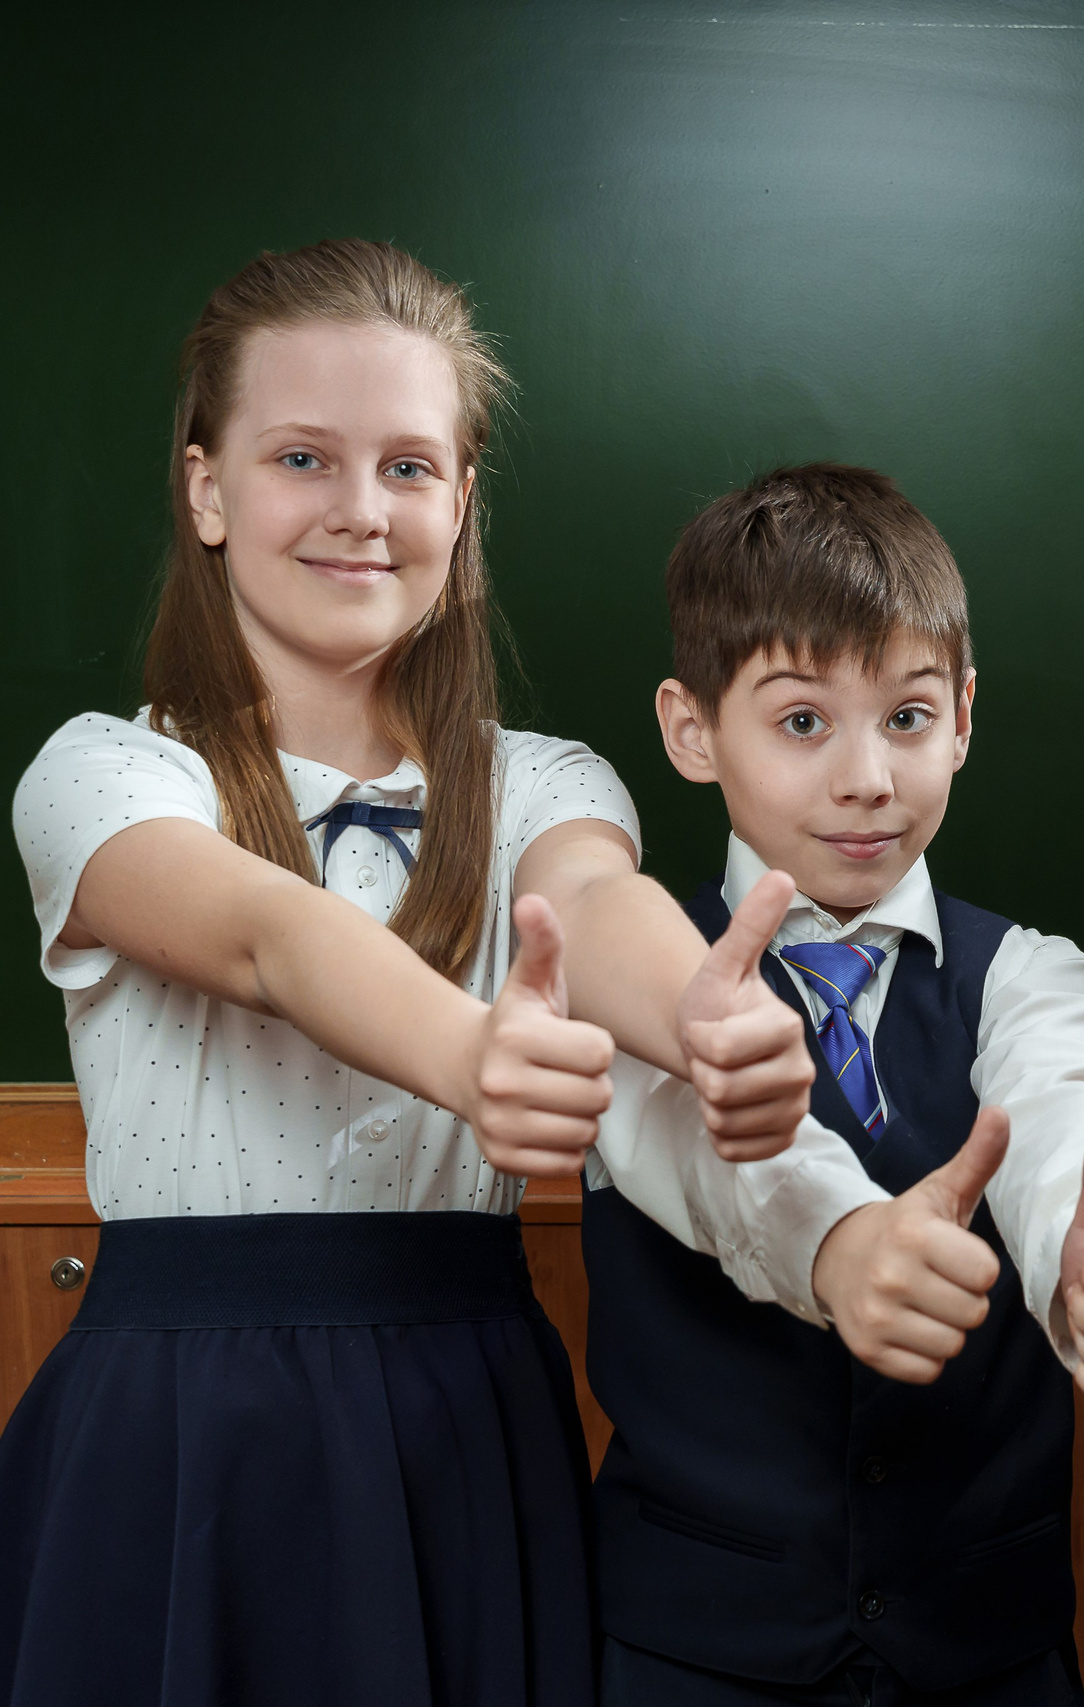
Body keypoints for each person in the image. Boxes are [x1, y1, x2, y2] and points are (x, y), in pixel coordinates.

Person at [0, 238, 815, 1706]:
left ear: (464, 500)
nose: (361, 511)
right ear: (206, 488)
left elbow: (596, 897)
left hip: (463, 1409)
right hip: (180, 1419)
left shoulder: (540, 779)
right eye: (303, 455)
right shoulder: (106, 770)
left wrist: (704, 1010)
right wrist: (465, 1053)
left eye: (411, 466)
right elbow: (264, 930)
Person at [581, 462, 1084, 1707]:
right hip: (693, 1656)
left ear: (963, 715)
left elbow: (1068, 1097)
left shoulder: (1029, 976)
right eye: (803, 721)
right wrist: (843, 1245)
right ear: (690, 729)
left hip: (986, 1653)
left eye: (907, 718)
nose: (868, 777)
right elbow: (687, 1141)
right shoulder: (630, 977)